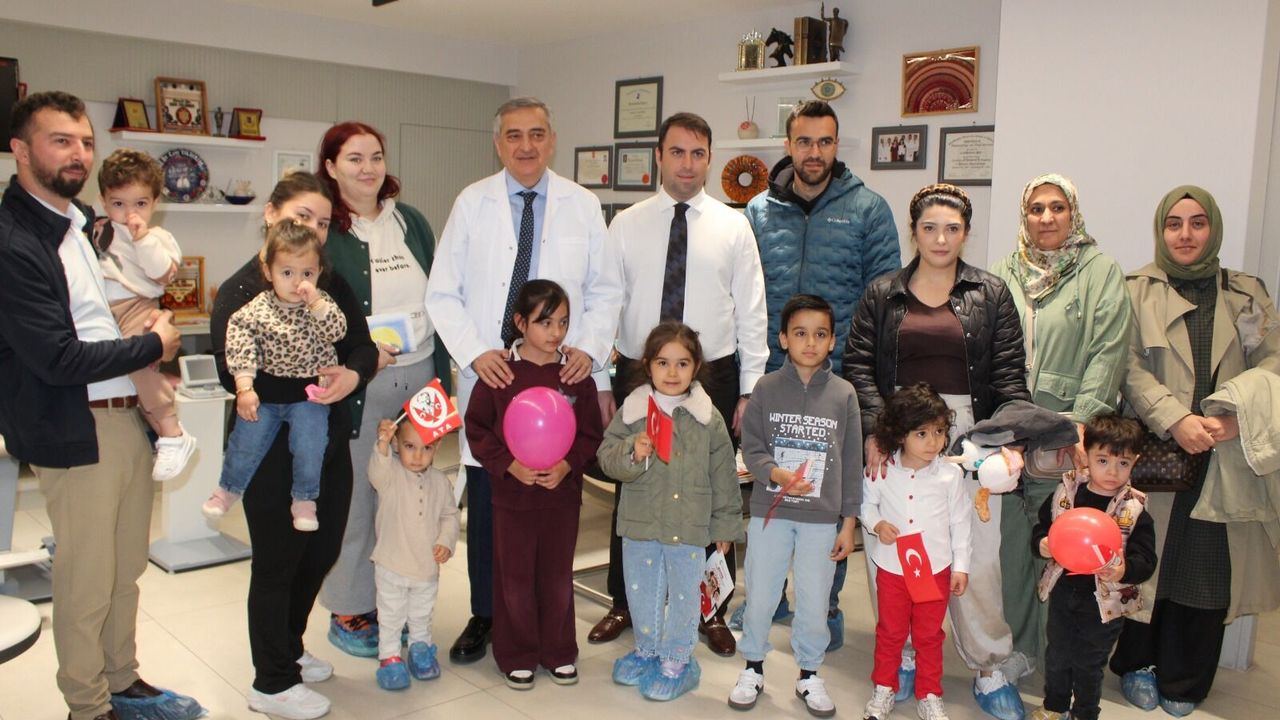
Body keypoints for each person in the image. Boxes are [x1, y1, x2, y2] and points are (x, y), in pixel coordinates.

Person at [0, 91, 197, 720]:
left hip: (124, 414)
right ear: (20, 150)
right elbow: (56, 358)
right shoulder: (13, 240)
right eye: (61, 140)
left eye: (86, 141)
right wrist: (153, 344)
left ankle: (122, 678)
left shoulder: (81, 224)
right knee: (86, 581)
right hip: (75, 425)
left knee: (124, 569)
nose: (79, 153)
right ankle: (88, 707)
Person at [426, 96, 622, 664]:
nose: (526, 145)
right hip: (494, 372)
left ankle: (544, 618)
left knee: (553, 502)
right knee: (492, 499)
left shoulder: (582, 205)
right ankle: (486, 615)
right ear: (498, 144)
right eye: (514, 135)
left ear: (552, 139)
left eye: (537, 134)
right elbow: (443, 292)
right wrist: (474, 353)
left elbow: (606, 290)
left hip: (561, 373)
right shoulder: (472, 203)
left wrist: (589, 350)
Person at [845, 183, 1030, 720]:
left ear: (966, 233)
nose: (941, 238)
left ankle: (988, 664)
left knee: (977, 557)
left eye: (952, 228)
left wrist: (1007, 442)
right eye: (930, 228)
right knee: (893, 547)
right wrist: (878, 430)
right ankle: (902, 654)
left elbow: (1009, 374)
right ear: (914, 232)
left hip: (969, 437)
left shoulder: (991, 293)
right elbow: (858, 366)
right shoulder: (882, 292)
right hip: (897, 432)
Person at [588, 111, 767, 657]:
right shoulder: (627, 224)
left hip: (712, 372)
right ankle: (624, 601)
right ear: (659, 157)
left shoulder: (734, 226)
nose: (687, 164)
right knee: (634, 481)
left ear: (709, 159)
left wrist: (750, 389)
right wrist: (600, 380)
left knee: (712, 489)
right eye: (677, 152)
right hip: (639, 370)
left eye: (698, 153)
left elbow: (752, 309)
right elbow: (605, 302)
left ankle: (711, 609)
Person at [210, 170, 377, 720]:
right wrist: (307, 376)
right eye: (303, 216)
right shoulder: (241, 291)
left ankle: (288, 647)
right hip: (268, 450)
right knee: (278, 562)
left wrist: (352, 375)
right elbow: (232, 371)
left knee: (322, 550)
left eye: (324, 223)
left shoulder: (326, 282)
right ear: (271, 216)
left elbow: (361, 345)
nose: (315, 230)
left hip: (326, 440)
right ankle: (272, 682)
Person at [1109, 185, 1280, 717]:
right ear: (1160, 230)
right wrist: (1174, 418)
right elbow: (1126, 364)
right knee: (1148, 557)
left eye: (1197, 223)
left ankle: (1186, 678)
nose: (1185, 235)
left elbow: (1273, 362)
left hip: (1224, 454)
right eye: (1174, 224)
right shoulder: (1135, 289)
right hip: (1158, 449)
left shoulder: (1246, 294)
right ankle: (1137, 664)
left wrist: (1235, 418)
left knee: (1207, 566)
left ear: (1214, 230)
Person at [743, 99, 899, 650]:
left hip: (838, 379)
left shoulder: (868, 209)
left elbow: (886, 303)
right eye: (804, 141)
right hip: (772, 373)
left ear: (837, 145)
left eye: (825, 142)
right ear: (788, 145)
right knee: (769, 481)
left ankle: (824, 604)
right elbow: (743, 292)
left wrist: (866, 380)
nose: (814, 152)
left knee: (824, 494)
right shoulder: (757, 211)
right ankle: (767, 597)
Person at [316, 121, 452, 657]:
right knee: (356, 498)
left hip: (418, 376)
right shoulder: (325, 229)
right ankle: (350, 608)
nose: (368, 168)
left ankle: (401, 604)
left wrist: (442, 380)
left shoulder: (410, 221)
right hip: (359, 385)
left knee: (410, 496)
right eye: (354, 159)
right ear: (331, 167)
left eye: (375, 156)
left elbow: (438, 300)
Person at [990, 173, 1132, 680]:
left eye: (1057, 207)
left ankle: (1058, 657)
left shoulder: (1100, 271)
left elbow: (1108, 351)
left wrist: (1082, 425)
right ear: (1024, 216)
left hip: (1067, 434)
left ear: (1073, 212)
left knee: (1060, 545)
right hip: (1010, 431)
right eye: (1036, 208)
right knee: (1011, 545)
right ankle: (1019, 648)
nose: (1046, 217)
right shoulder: (1003, 271)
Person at [464, 279, 604, 690]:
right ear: (520, 323)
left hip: (562, 497)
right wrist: (508, 465)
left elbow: (590, 435)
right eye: (545, 322)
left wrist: (568, 465)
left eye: (563, 322)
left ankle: (559, 651)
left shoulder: (576, 374)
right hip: (512, 497)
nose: (556, 332)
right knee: (515, 577)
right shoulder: (500, 373)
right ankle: (517, 654)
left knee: (557, 576)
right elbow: (477, 429)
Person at [728, 294, 861, 717]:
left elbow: (852, 462)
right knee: (761, 593)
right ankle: (752, 666)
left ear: (832, 341)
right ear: (783, 338)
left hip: (822, 520)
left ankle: (809, 673)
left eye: (820, 334)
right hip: (772, 514)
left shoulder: (844, 394)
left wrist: (848, 523)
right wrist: (777, 475)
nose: (810, 342)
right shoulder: (766, 389)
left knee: (815, 598)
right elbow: (752, 449)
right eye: (800, 333)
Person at [596, 321, 742, 701]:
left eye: (682, 363)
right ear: (648, 365)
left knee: (684, 598)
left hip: (688, 527)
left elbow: (724, 475)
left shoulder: (708, 417)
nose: (672, 372)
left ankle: (677, 660)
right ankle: (646, 650)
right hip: (640, 524)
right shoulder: (632, 411)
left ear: (696, 367)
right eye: (663, 363)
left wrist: (725, 526)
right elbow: (606, 458)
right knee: (641, 593)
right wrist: (631, 451)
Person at [205, 221, 347, 531]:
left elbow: (337, 331)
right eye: (287, 273)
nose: (298, 282)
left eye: (307, 273)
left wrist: (317, 303)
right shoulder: (257, 308)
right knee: (245, 439)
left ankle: (305, 499)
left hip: (309, 395)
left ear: (319, 272)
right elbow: (240, 344)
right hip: (267, 396)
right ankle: (228, 489)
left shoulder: (320, 304)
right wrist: (244, 388)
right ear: (268, 272)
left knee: (310, 443)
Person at [1029, 414, 1156, 720]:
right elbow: (1043, 528)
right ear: (1086, 455)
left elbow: (1146, 560)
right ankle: (1055, 705)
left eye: (1123, 463)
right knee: (1057, 654)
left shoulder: (1134, 508)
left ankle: (1085, 713)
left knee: (1089, 663)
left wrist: (1124, 569)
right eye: (1102, 460)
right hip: (1063, 592)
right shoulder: (1066, 492)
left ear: (1135, 462)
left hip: (1105, 603)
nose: (1112, 471)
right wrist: (1042, 542)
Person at [860, 384, 972, 720]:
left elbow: (961, 522)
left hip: (934, 570)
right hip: (892, 569)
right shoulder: (882, 470)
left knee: (929, 636)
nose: (933, 442)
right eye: (921, 433)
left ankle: (929, 693)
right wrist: (878, 524)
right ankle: (884, 688)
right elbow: (867, 506)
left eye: (939, 432)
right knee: (890, 632)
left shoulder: (950, 476)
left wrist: (961, 566)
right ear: (900, 434)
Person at [94, 148, 195, 482]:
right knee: (129, 377)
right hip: (105, 311)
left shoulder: (159, 238)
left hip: (138, 306)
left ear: (155, 202)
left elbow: (162, 274)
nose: (129, 214)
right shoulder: (97, 231)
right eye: (118, 204)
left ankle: (172, 431)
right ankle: (164, 435)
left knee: (139, 366)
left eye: (140, 203)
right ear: (103, 201)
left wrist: (142, 239)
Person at [367, 418, 459, 691]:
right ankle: (389, 658)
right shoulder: (390, 475)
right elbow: (376, 472)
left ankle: (420, 649)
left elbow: (450, 515)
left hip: (426, 568)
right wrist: (382, 443)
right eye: (409, 446)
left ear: (437, 447)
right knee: (391, 616)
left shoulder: (440, 482)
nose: (418, 456)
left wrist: (445, 541)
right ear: (397, 445)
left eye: (426, 448)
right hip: (391, 564)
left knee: (422, 614)